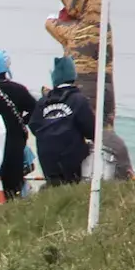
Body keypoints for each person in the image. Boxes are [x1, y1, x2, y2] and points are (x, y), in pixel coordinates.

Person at [30, 57, 97, 186]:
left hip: (46, 154)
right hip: (71, 154)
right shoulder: (78, 99)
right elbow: (91, 130)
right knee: (71, 186)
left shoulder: (43, 101)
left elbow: (34, 125)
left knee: (53, 185)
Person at [0, 50, 36, 200]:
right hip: (15, 141)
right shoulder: (18, 89)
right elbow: (35, 109)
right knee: (14, 185)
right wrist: (22, 121)